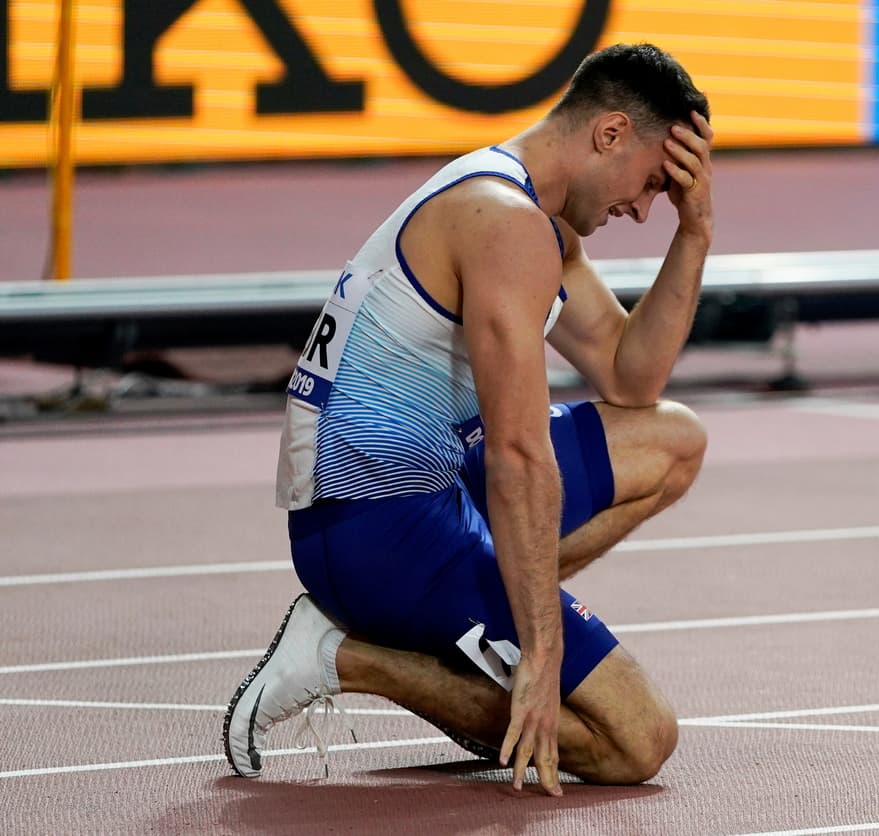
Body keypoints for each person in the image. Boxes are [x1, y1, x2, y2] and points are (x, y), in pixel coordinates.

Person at [223, 42, 712, 797]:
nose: (643, 210)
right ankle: (353, 656)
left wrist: (695, 233)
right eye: (649, 183)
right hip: (373, 531)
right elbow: (518, 454)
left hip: (417, 489)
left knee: (672, 439)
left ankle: (475, 638)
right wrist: (541, 658)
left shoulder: (528, 208)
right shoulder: (505, 225)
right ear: (609, 133)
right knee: (637, 742)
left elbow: (631, 374)